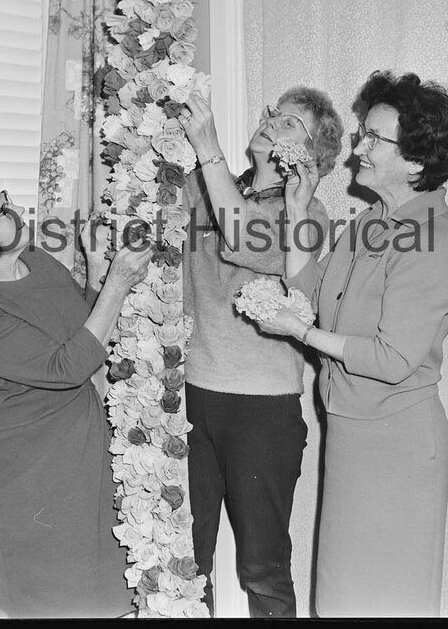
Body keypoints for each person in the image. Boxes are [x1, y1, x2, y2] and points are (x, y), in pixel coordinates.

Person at [254, 71, 448, 618]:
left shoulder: (435, 241)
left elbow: (392, 359)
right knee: (341, 599)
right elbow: (311, 290)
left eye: (375, 139)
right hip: (352, 436)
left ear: (417, 161)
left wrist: (301, 334)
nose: (360, 147)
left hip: (397, 448)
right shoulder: (374, 221)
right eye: (363, 133)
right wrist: (300, 208)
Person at [0, 167, 151, 618]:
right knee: (51, 598)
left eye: (6, 198)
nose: (17, 209)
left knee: (104, 588)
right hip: (30, 464)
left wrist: (99, 268)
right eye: (0, 211)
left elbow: (79, 328)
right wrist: (118, 283)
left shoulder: (39, 261)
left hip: (81, 444)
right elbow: (69, 366)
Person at [177, 86, 344, 618]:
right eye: (274, 114)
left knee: (262, 566)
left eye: (291, 124)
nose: (272, 122)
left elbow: (241, 234)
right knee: (183, 555)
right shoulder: (204, 186)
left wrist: (208, 147)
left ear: (311, 157)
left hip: (259, 409)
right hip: (189, 395)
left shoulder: (308, 215)